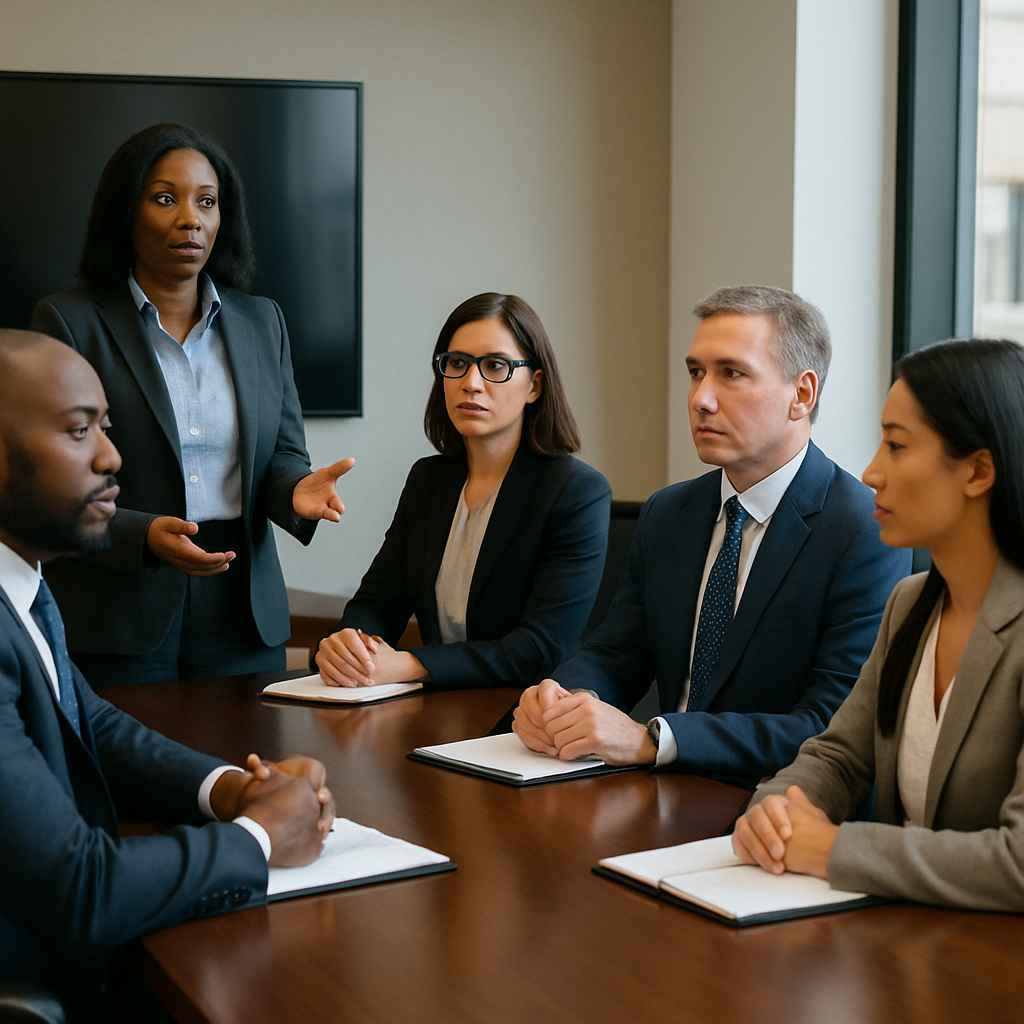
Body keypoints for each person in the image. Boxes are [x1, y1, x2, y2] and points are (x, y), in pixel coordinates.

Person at [0, 330, 335, 1014]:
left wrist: (234, 791)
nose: (111, 456)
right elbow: (80, 890)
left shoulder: (23, 579)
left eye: (106, 426)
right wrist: (263, 837)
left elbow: (88, 720)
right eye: (77, 430)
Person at [512, 285, 911, 786]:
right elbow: (615, 654)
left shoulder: (863, 529)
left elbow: (828, 729)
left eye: (732, 373)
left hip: (771, 806)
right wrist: (564, 696)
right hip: (653, 790)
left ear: (801, 394)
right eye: (696, 372)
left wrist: (654, 739)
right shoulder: (670, 511)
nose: (700, 399)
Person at [30, 123, 353, 685]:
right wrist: (142, 534)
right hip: (119, 606)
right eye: (165, 198)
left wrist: (294, 493)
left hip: (242, 608)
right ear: (126, 212)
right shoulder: (69, 322)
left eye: (207, 201)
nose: (190, 218)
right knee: (127, 767)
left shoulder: (262, 321)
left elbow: (282, 453)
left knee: (247, 767)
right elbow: (53, 482)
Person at [732, 338, 1024, 911]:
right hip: (905, 949)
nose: (870, 472)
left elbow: (1017, 862)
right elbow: (837, 757)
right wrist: (777, 810)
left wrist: (833, 849)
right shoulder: (910, 603)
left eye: (896, 445)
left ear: (978, 470)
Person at [315, 292, 610, 690]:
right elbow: (377, 603)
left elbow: (540, 649)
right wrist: (349, 643)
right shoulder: (429, 480)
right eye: (457, 364)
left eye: (495, 366)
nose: (471, 383)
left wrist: (410, 664)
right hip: (435, 706)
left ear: (534, 386)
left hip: (530, 718)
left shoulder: (576, 492)